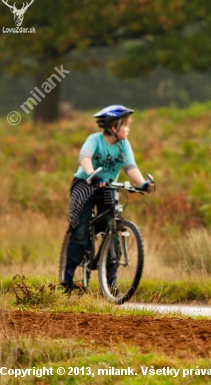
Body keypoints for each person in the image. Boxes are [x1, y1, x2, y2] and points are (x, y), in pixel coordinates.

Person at [61, 105, 155, 292]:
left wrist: (143, 183)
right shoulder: (95, 139)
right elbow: (84, 157)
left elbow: (130, 167)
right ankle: (67, 280)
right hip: (86, 184)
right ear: (114, 128)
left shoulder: (123, 145)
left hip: (108, 186)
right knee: (80, 232)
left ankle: (111, 284)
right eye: (125, 125)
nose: (128, 129)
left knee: (112, 230)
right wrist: (92, 175)